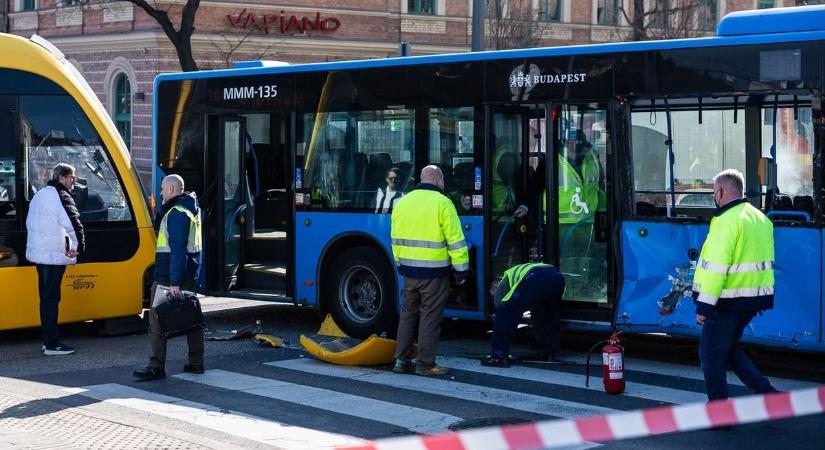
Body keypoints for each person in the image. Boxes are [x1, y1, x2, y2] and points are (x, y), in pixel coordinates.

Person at [692, 169, 778, 401]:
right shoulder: (760, 218)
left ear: (720, 192)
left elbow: (716, 268)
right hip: (752, 300)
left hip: (726, 303)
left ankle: (720, 411)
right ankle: (767, 394)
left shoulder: (725, 221)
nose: (714, 196)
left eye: (713, 191)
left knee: (709, 356)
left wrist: (704, 306)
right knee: (727, 349)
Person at [391, 165, 469, 376]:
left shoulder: (402, 202)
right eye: (443, 181)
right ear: (437, 180)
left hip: (409, 273)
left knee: (407, 315)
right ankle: (425, 364)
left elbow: (395, 239)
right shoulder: (443, 203)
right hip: (434, 274)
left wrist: (400, 265)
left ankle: (400, 361)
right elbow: (455, 240)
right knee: (429, 318)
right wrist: (461, 270)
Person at [134, 174, 204, 381]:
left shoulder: (176, 213)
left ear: (172, 190)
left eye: (163, 189)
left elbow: (177, 250)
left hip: (168, 277)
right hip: (188, 273)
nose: (161, 192)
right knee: (191, 319)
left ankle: (155, 367)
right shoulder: (191, 209)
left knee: (156, 320)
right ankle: (196, 363)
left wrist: (174, 282)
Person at [25, 163, 85, 355]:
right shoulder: (61, 195)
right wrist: (79, 247)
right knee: (51, 300)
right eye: (71, 177)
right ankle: (52, 343)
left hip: (40, 255)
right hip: (52, 256)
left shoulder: (40, 194)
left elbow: (30, 222)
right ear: (62, 178)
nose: (74, 180)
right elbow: (73, 223)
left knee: (46, 299)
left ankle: (47, 340)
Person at [483, 263, 565, 367]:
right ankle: (548, 353)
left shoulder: (503, 282)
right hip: (558, 277)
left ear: (493, 289)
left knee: (504, 313)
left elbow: (501, 306)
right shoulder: (518, 275)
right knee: (546, 315)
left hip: (536, 277)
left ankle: (498, 357)